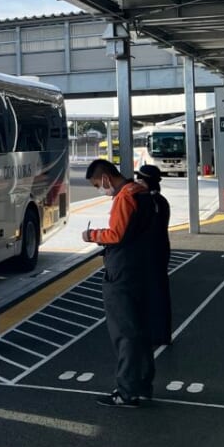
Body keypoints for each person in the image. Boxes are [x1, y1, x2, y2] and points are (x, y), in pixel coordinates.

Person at [82, 158, 157, 407]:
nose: (99, 190)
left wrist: (92, 235)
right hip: (141, 268)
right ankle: (143, 385)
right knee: (141, 330)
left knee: (124, 332)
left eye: (97, 185)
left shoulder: (125, 197)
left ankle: (126, 391)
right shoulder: (142, 192)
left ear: (105, 178)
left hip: (122, 272)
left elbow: (117, 234)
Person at [137, 164, 173, 348]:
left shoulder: (145, 202)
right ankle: (163, 333)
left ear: (144, 182)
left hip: (147, 253)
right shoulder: (162, 201)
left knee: (149, 293)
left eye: (139, 179)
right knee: (160, 292)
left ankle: (153, 333)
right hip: (161, 250)